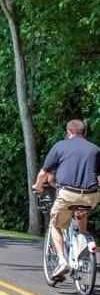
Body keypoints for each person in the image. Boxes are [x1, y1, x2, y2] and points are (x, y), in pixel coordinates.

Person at [32, 119, 100, 279]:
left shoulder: (60, 146)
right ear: (85, 133)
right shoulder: (95, 149)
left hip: (68, 194)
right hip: (91, 195)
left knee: (55, 225)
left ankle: (63, 261)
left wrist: (37, 186)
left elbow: (43, 174)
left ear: (68, 132)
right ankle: (82, 245)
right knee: (81, 213)